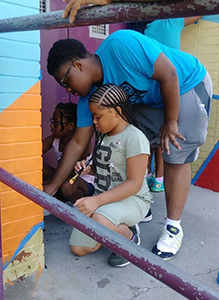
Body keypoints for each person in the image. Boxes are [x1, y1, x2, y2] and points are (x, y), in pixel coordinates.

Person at [45, 29, 212, 260]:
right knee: (127, 143)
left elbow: (169, 74)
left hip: (184, 84)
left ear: (78, 65)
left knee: (174, 151)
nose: (67, 90)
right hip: (149, 101)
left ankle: (173, 227)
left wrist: (171, 122)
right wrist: (52, 188)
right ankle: (138, 206)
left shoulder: (121, 45)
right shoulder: (89, 98)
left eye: (65, 81)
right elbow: (77, 142)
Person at [69, 83, 152, 267]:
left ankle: (129, 239)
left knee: (99, 219)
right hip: (107, 199)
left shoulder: (134, 138)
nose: (94, 122)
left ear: (116, 111)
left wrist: (96, 202)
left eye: (98, 116)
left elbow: (134, 184)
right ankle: (113, 225)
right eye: (93, 116)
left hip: (133, 199)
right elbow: (106, 166)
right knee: (78, 248)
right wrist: (88, 168)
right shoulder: (103, 136)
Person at [143, 16, 202, 195]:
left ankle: (154, 176)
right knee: (159, 138)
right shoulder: (170, 21)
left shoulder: (165, 22)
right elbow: (198, 11)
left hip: (162, 85)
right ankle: (156, 177)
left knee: (155, 138)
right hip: (165, 85)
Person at [43, 102, 94, 204]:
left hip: (82, 183)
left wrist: (46, 185)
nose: (52, 126)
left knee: (67, 186)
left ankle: (79, 205)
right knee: (39, 166)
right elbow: (33, 154)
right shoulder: (54, 139)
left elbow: (70, 172)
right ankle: (60, 199)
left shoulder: (81, 144)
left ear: (70, 126)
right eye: (52, 121)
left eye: (56, 122)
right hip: (60, 180)